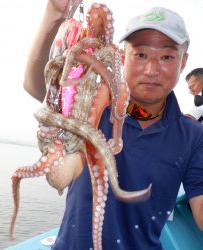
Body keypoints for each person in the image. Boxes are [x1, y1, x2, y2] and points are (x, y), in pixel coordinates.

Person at [23, 1, 203, 249]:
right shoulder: (90, 107)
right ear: (122, 56)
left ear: (183, 63)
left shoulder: (193, 135)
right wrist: (53, 15)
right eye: (140, 54)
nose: (151, 70)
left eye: (166, 57)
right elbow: (36, 86)